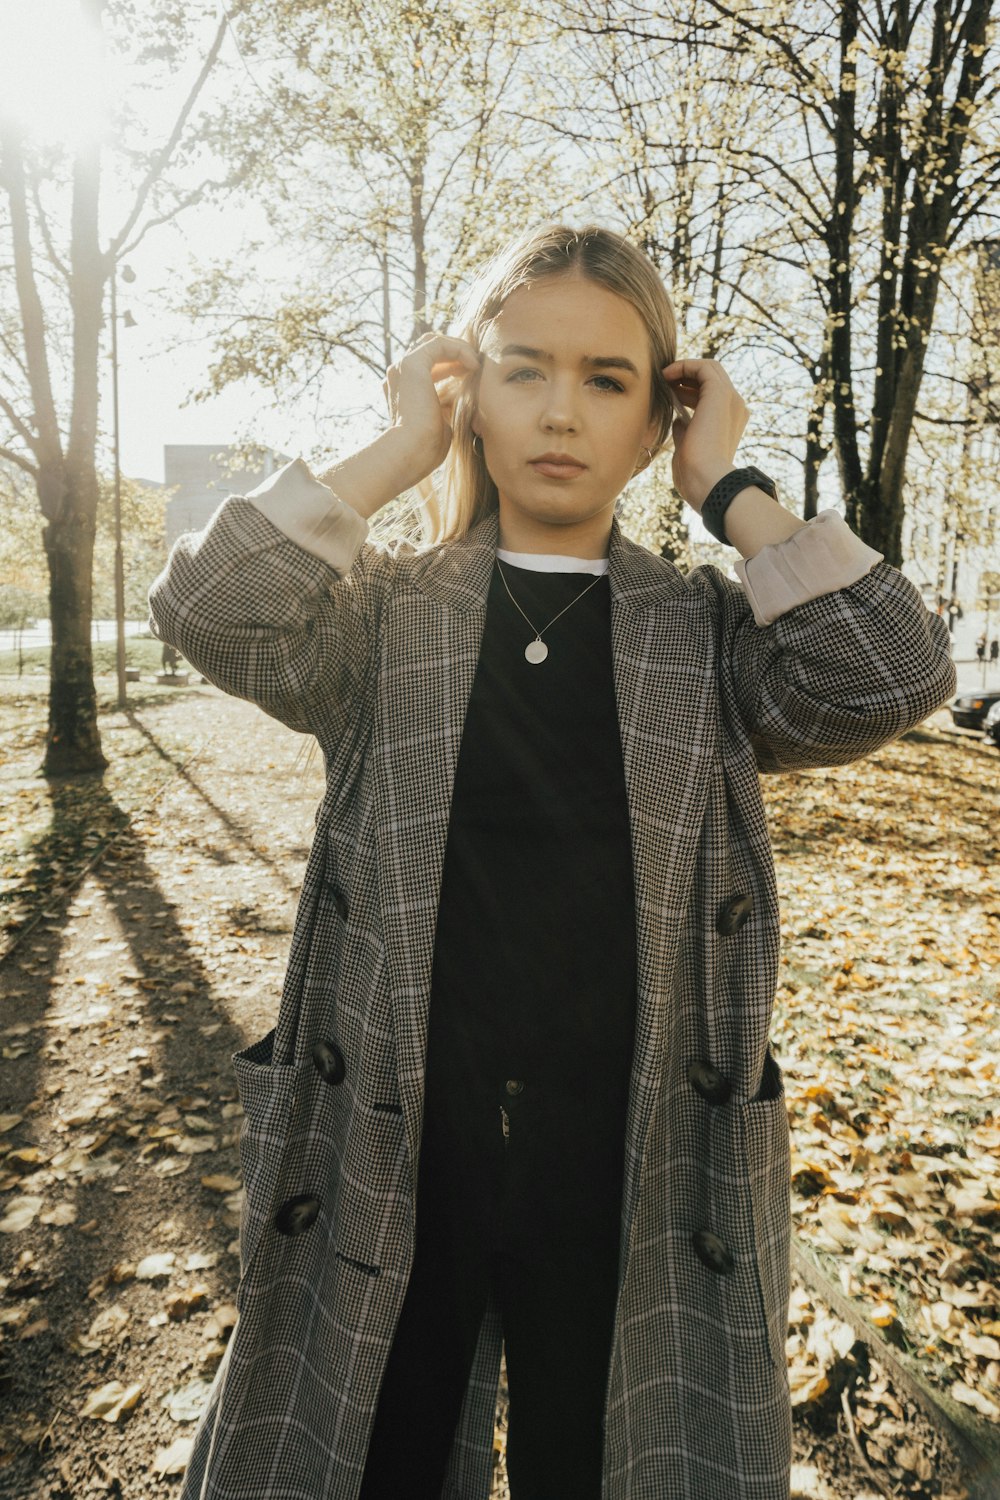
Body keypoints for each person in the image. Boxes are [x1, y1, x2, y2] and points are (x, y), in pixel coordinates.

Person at [148, 223, 955, 1500]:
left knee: (609, 1462)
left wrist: (728, 487)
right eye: (522, 370)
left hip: (631, 1156)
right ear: (472, 398)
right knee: (382, 1456)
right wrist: (397, 448)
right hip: (397, 1144)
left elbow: (890, 672)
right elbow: (209, 608)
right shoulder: (384, 620)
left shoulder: (703, 632)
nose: (560, 412)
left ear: (654, 423)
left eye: (607, 379)